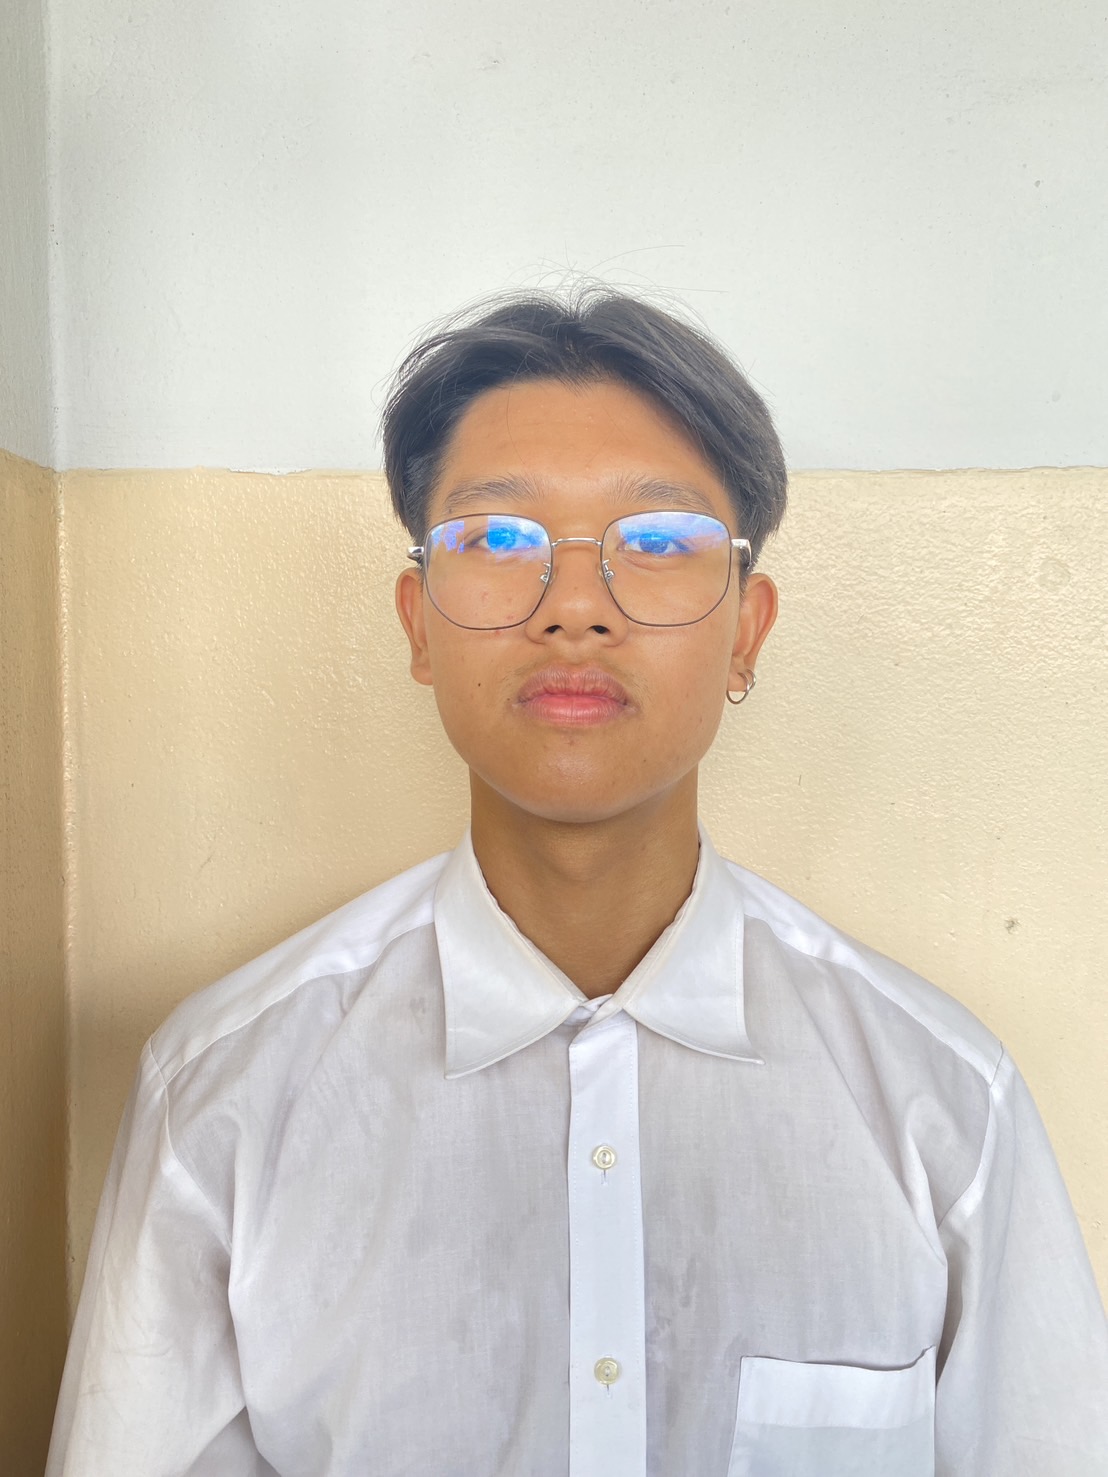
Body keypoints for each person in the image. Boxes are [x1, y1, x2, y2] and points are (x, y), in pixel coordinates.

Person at [48, 289, 1108, 1476]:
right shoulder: (224, 1097)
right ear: (417, 623)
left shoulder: (943, 1103)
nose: (573, 610)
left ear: (746, 630)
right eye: (498, 541)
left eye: (654, 543)